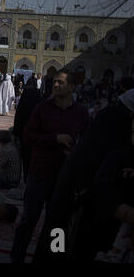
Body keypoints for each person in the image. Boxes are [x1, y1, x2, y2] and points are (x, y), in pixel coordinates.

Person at [34, 89, 134, 263]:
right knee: (63, 236)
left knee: (61, 232)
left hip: (76, 191)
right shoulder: (116, 126)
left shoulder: (106, 119)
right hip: (78, 195)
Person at [11, 70, 89, 263]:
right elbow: (28, 136)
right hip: (40, 172)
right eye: (54, 82)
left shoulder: (81, 112)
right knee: (29, 219)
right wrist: (55, 138)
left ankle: (51, 258)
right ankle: (17, 257)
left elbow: (86, 143)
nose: (55, 85)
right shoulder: (42, 108)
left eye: (60, 83)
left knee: (57, 222)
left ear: (72, 87)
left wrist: (75, 153)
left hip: (64, 177)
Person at [12, 86, 42, 183]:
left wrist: (15, 134)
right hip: (37, 139)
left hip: (24, 137)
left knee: (25, 160)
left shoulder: (23, 105)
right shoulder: (40, 106)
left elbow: (18, 121)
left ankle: (25, 179)